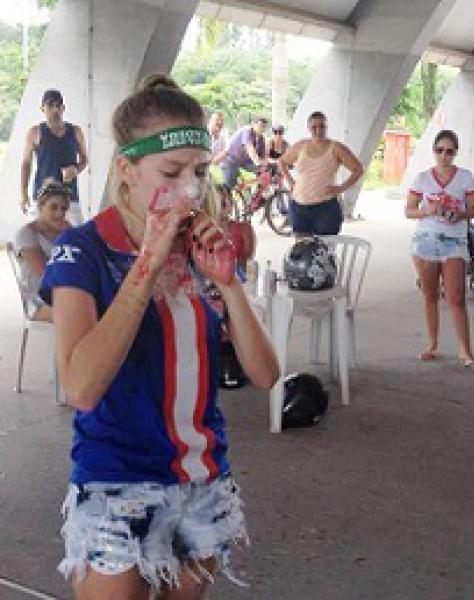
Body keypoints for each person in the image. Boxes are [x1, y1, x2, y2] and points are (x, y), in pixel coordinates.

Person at [41, 74, 279, 598]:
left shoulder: (203, 244)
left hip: (203, 479)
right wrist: (147, 264)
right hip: (116, 479)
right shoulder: (84, 250)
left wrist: (229, 284)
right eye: (171, 173)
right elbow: (80, 387)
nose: (190, 190)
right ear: (127, 169)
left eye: (200, 172)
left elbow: (265, 374)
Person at [405, 129, 474, 372]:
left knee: (456, 297)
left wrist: (460, 214)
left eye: (449, 151)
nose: (444, 155)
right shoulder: (422, 178)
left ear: (455, 153)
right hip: (426, 240)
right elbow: (409, 210)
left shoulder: (465, 178)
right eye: (440, 150)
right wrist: (427, 211)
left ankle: (465, 350)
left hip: (454, 241)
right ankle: (432, 344)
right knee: (429, 295)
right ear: (434, 151)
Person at [278, 111, 364, 235]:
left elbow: (358, 169)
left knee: (325, 245)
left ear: (326, 127)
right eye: (314, 127)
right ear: (309, 128)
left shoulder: (336, 148)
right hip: (299, 206)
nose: (318, 130)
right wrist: (291, 182)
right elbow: (282, 162)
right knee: (302, 245)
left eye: (322, 126)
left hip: (325, 208)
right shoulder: (301, 146)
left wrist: (342, 188)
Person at [20, 89, 88, 225]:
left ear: (63, 108)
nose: (55, 110)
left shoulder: (76, 131)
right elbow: (26, 162)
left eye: (58, 106)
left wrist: (76, 169)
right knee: (38, 235)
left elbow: (84, 159)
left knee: (76, 235)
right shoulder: (35, 132)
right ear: (42, 108)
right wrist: (23, 192)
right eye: (50, 106)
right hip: (43, 196)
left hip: (69, 196)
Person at [12, 179, 71, 322]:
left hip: (65, 295)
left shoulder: (67, 232)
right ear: (40, 206)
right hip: (38, 301)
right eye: (54, 207)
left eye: (63, 209)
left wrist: (73, 235)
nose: (59, 213)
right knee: (78, 314)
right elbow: (47, 275)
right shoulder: (26, 234)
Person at [218, 116, 269, 189]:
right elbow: (249, 148)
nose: (262, 129)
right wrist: (258, 162)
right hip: (230, 160)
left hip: (245, 162)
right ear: (253, 124)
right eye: (260, 126)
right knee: (230, 185)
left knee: (265, 171)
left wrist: (265, 165)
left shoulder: (261, 139)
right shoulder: (247, 130)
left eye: (264, 127)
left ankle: (254, 190)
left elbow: (263, 157)